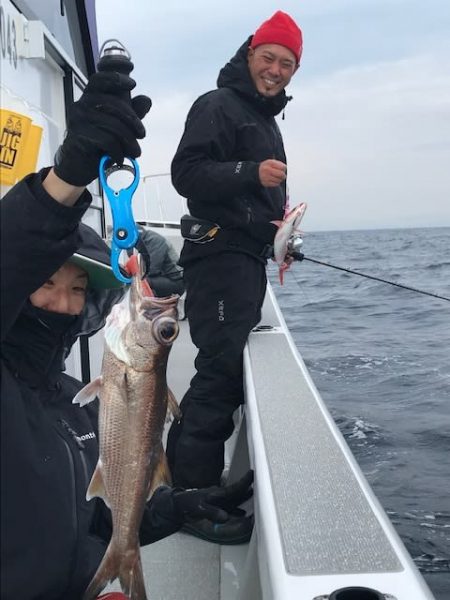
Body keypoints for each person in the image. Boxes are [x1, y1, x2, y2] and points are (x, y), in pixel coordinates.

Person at [0, 67, 253, 600]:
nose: (63, 303)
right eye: (45, 282)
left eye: (78, 290)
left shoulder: (78, 404)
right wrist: (64, 181)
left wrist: (171, 508)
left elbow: (94, 515)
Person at [166, 11, 302, 498]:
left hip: (245, 261)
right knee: (220, 373)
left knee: (219, 372)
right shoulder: (218, 105)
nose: (276, 70)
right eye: (269, 58)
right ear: (250, 55)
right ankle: (195, 499)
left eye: (288, 64)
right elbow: (186, 174)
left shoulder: (263, 119)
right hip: (218, 261)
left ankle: (181, 483)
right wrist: (248, 171)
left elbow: (255, 203)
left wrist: (280, 240)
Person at [136, 224, 185, 297]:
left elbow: (153, 270)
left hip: (176, 281)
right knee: (139, 281)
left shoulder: (154, 240)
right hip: (163, 277)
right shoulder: (143, 241)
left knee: (141, 282)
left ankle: (149, 305)